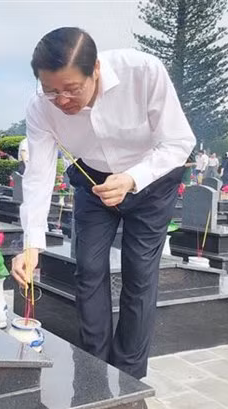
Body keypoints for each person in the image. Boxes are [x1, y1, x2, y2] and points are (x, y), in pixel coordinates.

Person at [11, 27, 195, 380]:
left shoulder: (143, 72)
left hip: (151, 180)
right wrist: (32, 244)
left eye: (72, 89)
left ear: (95, 69)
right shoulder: (40, 109)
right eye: (51, 91)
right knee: (88, 271)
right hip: (93, 184)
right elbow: (38, 174)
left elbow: (178, 141)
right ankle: (94, 369)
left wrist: (132, 179)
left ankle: (128, 375)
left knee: (139, 275)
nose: (62, 101)